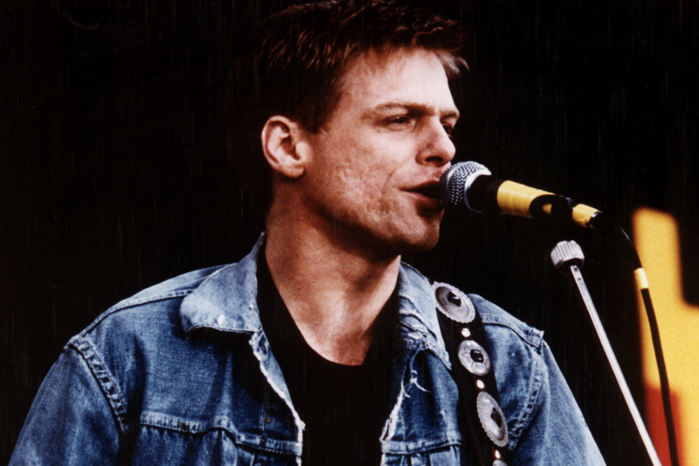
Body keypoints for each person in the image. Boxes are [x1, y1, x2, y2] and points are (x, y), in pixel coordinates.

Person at [10, 1, 605, 465]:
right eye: (400, 119)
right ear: (287, 146)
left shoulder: (508, 363)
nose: (445, 150)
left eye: (447, 124)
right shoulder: (126, 355)